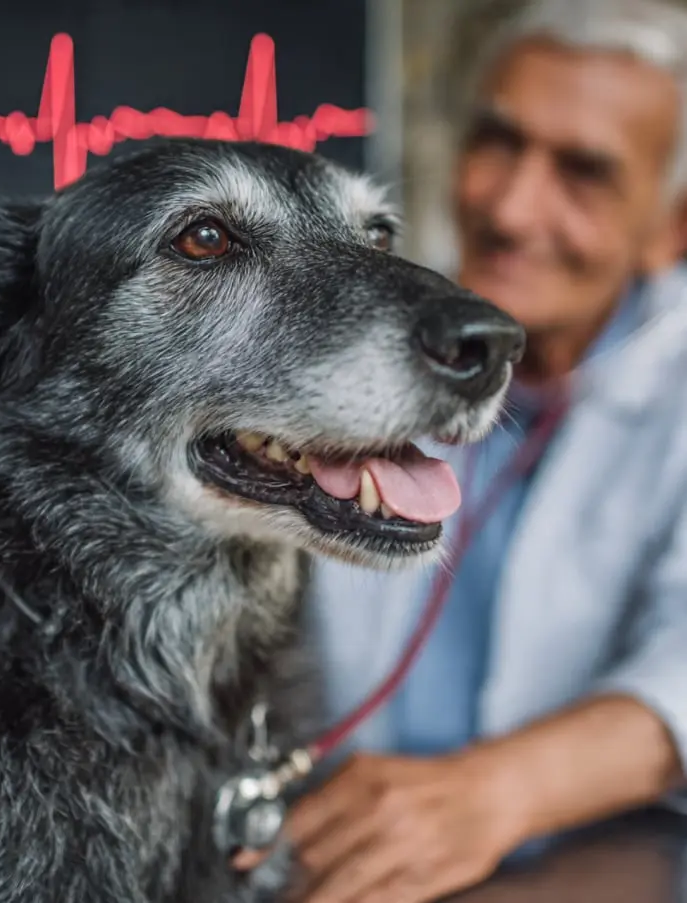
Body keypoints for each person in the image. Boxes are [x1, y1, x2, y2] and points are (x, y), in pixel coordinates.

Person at [234, 1, 687, 901]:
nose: (512, 206)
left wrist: (496, 791)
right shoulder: (357, 325)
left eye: (584, 172)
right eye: (497, 141)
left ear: (671, 227)